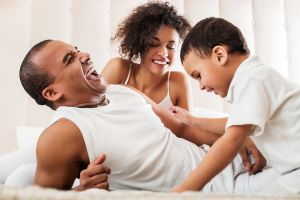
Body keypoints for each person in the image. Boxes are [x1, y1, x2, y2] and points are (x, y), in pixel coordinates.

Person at [18, 39, 277, 193]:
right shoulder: (62, 134)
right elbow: (45, 197)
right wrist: (80, 192)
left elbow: (183, 129)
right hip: (217, 191)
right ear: (52, 92)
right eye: (70, 58)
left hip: (231, 162)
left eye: (77, 49)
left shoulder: (121, 91)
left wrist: (234, 137)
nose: (84, 55)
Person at [172, 17, 300, 194]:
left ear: (219, 56)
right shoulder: (255, 78)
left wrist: (184, 189)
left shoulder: (253, 80)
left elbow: (232, 138)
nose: (200, 86)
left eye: (198, 75)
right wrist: (192, 120)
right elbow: (232, 123)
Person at [102, 2, 192, 111]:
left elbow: (188, 127)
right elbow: (90, 111)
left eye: (171, 46)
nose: (164, 53)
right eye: (154, 44)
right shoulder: (118, 68)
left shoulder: (178, 82)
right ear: (139, 44)